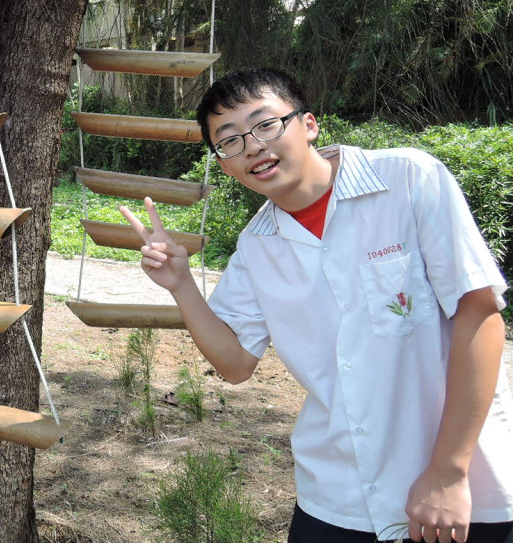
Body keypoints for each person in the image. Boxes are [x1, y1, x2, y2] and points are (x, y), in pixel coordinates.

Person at [121, 67, 513, 543]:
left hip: (462, 487)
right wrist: (181, 285)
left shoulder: (408, 179)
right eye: (229, 141)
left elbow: (480, 313)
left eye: (265, 125)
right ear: (223, 163)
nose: (252, 147)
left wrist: (449, 470)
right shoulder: (257, 247)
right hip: (337, 495)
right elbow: (235, 362)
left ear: (308, 124)